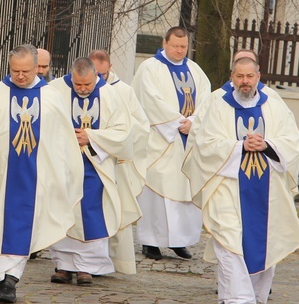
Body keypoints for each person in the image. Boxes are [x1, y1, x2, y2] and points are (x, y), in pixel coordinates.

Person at [184, 57, 299, 304]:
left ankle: (245, 294)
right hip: (226, 185)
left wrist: (267, 143)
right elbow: (203, 142)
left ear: (258, 75)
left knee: (259, 240)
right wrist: (240, 146)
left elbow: (292, 140)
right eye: (240, 76)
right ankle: (233, 303)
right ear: (232, 76)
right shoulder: (217, 102)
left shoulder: (273, 102)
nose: (245, 82)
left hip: (265, 188)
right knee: (229, 242)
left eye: (250, 76)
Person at [0, 44, 84, 303]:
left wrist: (65, 175)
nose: (20, 76)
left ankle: (10, 279)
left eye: (25, 71)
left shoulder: (51, 97)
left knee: (27, 222)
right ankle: (2, 277)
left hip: (38, 177)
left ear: (37, 67)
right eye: (15, 70)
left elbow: (63, 140)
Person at [47, 58, 141, 284]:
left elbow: (123, 133)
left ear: (95, 76)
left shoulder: (110, 95)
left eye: (87, 85)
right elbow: (45, 123)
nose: (82, 89)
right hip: (62, 164)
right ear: (72, 75)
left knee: (91, 212)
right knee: (63, 211)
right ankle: (62, 265)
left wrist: (91, 137)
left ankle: (87, 268)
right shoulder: (55, 90)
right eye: (78, 84)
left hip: (96, 166)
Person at [131, 27, 211, 260]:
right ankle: (151, 242)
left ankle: (179, 242)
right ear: (164, 43)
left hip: (187, 141)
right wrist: (176, 123)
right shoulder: (150, 68)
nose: (179, 50)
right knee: (156, 193)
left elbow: (207, 100)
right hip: (160, 139)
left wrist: (194, 123)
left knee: (184, 192)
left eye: (183, 46)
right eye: (175, 45)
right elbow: (149, 100)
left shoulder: (195, 70)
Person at [88, 49, 149, 274]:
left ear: (110, 68)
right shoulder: (77, 88)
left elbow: (140, 127)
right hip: (86, 160)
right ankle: (81, 262)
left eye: (102, 75)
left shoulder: (123, 91)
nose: (98, 80)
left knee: (114, 209)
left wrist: (114, 139)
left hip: (114, 162)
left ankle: (111, 262)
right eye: (95, 74)